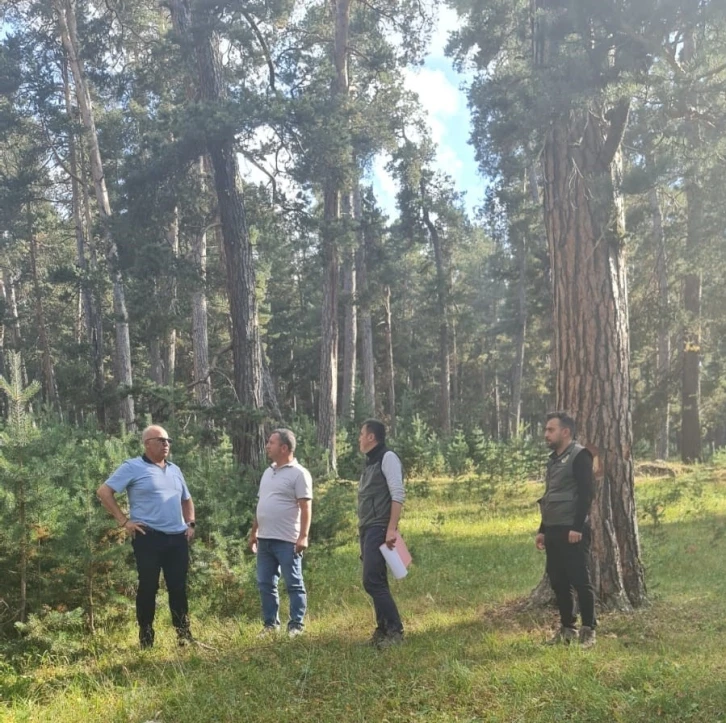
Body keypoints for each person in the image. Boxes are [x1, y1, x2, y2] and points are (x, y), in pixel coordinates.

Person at [97, 425, 196, 649]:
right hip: (149, 538)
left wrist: (190, 523)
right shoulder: (132, 467)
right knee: (148, 586)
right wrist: (124, 521)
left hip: (177, 538)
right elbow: (104, 492)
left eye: (168, 440)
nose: (166, 444)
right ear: (147, 443)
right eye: (161, 440)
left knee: (178, 587)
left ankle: (183, 634)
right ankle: (146, 637)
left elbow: (186, 499)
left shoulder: (174, 470)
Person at [535, 411, 596, 648]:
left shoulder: (580, 456)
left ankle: (589, 630)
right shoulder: (553, 460)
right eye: (546, 429)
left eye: (551, 430)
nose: (546, 434)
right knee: (558, 581)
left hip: (572, 530)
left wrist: (577, 527)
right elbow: (549, 497)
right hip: (553, 529)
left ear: (566, 432)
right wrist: (542, 529)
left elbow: (586, 494)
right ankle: (567, 628)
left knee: (580, 580)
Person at [249, 429, 313, 638]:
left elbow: (305, 507)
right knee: (265, 583)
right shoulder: (268, 472)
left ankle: (296, 625)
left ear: (284, 448)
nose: (267, 446)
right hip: (264, 539)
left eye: (271, 443)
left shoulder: (299, 473)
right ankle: (270, 625)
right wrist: (254, 533)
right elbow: (261, 504)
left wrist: (303, 536)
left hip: (287, 540)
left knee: (293, 583)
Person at [357, 419, 405, 648]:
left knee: (371, 580)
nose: (359, 438)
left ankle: (395, 631)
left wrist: (391, 529)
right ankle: (382, 629)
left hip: (379, 527)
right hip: (367, 528)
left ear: (371, 437)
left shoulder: (388, 458)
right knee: (377, 578)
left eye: (361, 434)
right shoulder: (370, 463)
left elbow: (397, 494)